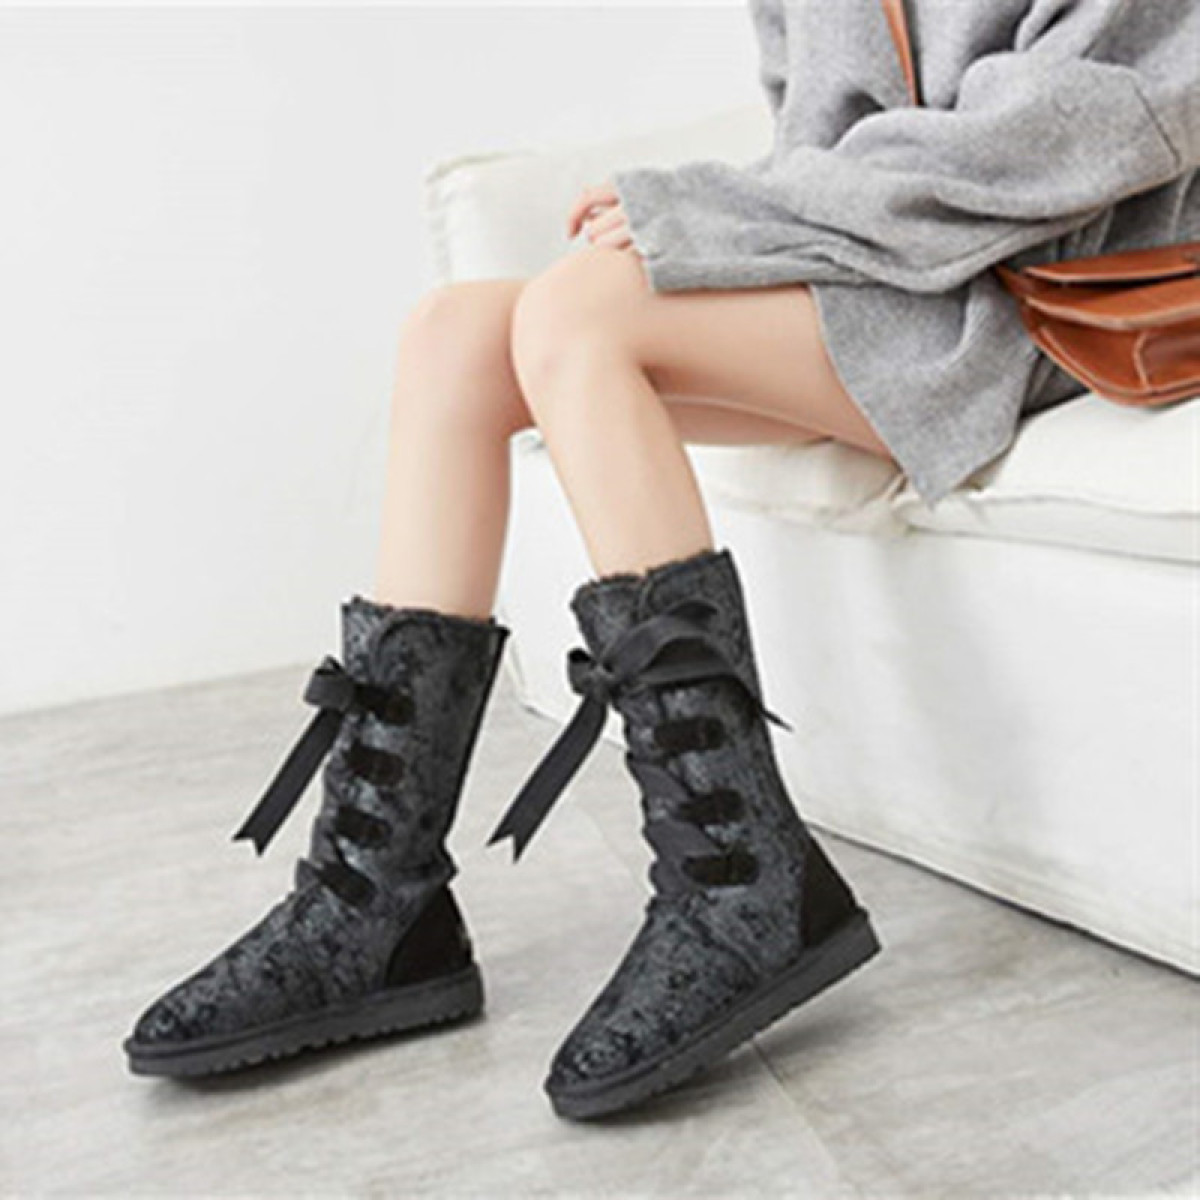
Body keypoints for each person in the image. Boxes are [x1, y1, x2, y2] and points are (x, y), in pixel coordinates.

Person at [122, 0, 1198, 1122]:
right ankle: (375, 903)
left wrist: (713, 213)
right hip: (888, 282)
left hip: (1044, 295)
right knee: (453, 338)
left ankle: (742, 878)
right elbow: (816, 140)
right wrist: (735, 220)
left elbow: (1068, 140)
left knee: (579, 314)